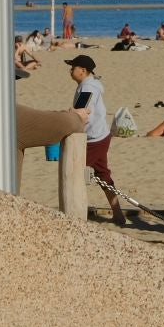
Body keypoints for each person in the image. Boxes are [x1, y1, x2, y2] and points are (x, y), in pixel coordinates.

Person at [66, 54, 124, 222]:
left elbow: (83, 112)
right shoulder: (88, 85)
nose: (70, 71)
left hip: (94, 139)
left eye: (73, 68)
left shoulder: (88, 88)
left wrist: (69, 118)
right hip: (100, 135)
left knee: (74, 171)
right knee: (103, 174)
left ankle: (75, 213)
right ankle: (118, 214)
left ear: (83, 71)